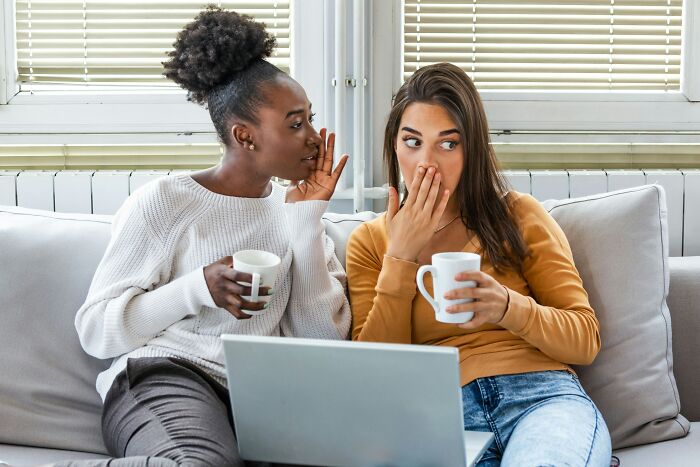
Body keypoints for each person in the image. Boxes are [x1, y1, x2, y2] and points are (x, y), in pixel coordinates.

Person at [66, 6, 351, 467]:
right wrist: (197, 288)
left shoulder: (298, 215)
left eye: (310, 120)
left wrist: (306, 221)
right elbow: (96, 330)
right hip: (166, 377)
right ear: (245, 136)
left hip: (261, 396)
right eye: (295, 124)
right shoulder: (167, 202)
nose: (315, 139)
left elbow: (323, 343)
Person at [345, 62, 612, 466]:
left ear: (473, 148)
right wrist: (400, 257)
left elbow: (584, 338)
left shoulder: (518, 214)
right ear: (394, 145)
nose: (427, 163)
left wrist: (507, 307)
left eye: (448, 143)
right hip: (439, 416)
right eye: (413, 142)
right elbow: (373, 376)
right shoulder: (369, 243)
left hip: (540, 399)